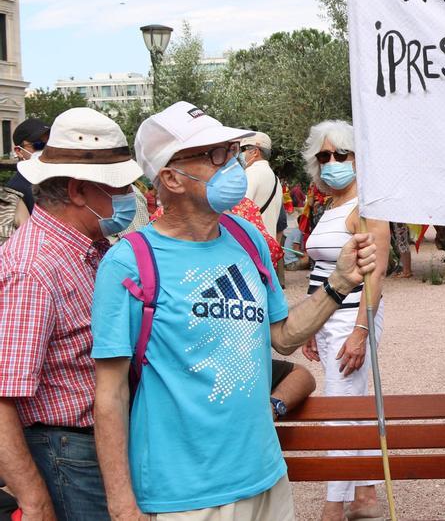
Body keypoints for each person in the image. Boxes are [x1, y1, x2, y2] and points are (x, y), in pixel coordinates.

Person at [90, 102, 378, 519]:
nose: (233, 164)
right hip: (184, 497)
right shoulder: (129, 263)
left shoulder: (246, 238)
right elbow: (110, 395)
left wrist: (340, 283)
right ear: (171, 177)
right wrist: (121, 506)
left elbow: (281, 336)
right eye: (215, 154)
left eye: (231, 150)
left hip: (265, 478)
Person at [0, 108, 143, 521]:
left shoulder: (86, 249)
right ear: (79, 191)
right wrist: (35, 499)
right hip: (68, 454)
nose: (129, 195)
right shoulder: (32, 268)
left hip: (87, 448)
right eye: (119, 186)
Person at [298, 119, 391, 521]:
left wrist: (360, 330)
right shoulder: (331, 206)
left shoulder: (368, 206)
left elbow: (378, 273)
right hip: (328, 318)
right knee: (351, 406)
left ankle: (333, 505)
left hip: (354, 317)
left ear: (359, 157)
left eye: (341, 154)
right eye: (324, 156)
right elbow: (320, 271)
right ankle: (365, 495)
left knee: (340, 409)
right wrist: (309, 323)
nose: (332, 162)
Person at [240, 131, 283, 236]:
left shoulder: (250, 173)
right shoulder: (276, 180)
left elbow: (240, 212)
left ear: (255, 152)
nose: (240, 154)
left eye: (243, 149)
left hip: (250, 242)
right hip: (267, 245)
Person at [8, 118, 50, 214]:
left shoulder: (62, 179)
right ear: (19, 151)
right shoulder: (14, 191)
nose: (46, 149)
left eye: (50, 144)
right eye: (38, 145)